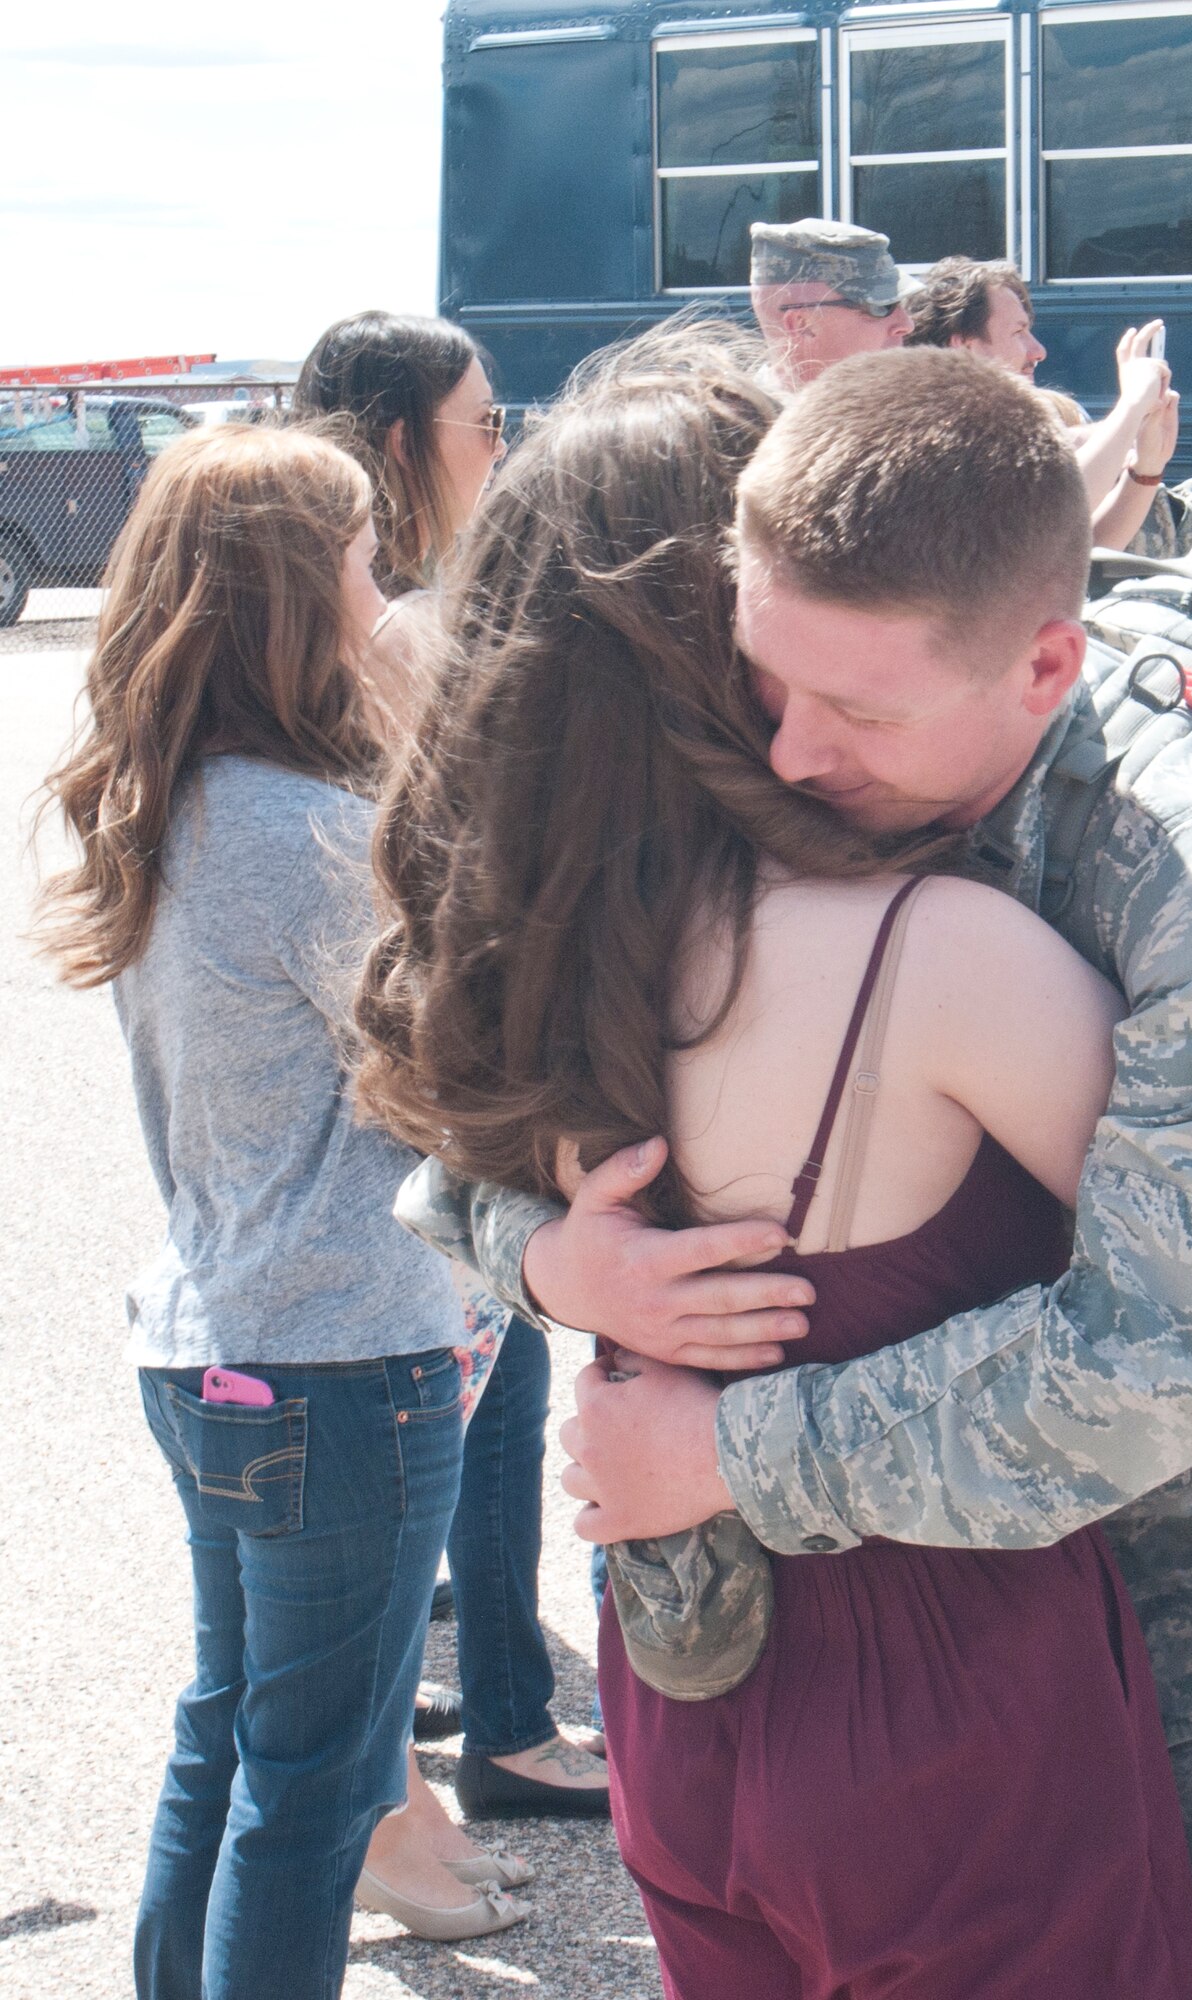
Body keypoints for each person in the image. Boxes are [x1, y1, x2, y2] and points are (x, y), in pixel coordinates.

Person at [425, 345, 1192, 2000]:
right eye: (765, 682)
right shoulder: (773, 886)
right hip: (964, 1676)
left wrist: (714, 1442)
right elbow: (448, 1153)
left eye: (848, 706)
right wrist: (543, 1258)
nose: (796, 752)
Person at [35, 425, 527, 1998]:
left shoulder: (170, 807)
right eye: (365, 569)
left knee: (230, 1741)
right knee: (314, 1793)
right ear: (287, 601)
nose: (384, 600)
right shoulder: (311, 834)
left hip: (212, 1338)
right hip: (343, 1363)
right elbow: (474, 1054)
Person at [295, 311, 608, 1819]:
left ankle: (437, 1712)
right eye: (486, 423)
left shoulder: (302, 613)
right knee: (499, 1373)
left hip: (352, 1097)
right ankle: (507, 1726)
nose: (505, 446)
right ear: (405, 437)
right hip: (420, 1084)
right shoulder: (403, 624)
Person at [904, 253, 1192, 557]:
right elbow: (1050, 514)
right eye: (1018, 332)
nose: (1038, 351)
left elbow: (1081, 555)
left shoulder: (996, 431)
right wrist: (1131, 406)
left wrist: (1146, 467)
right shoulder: (926, 437)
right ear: (964, 345)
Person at [748, 219, 914, 391]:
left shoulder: (897, 409)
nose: (907, 325)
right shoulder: (748, 416)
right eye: (881, 307)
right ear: (802, 325)